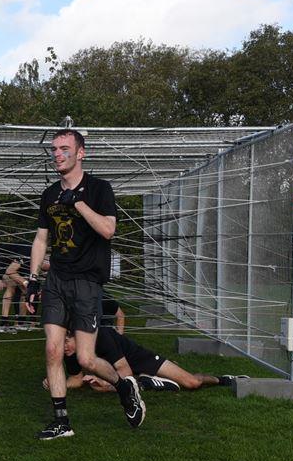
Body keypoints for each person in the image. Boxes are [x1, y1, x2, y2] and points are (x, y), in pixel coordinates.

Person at [24, 128, 144, 440]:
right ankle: (61, 422)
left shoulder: (99, 189)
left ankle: (123, 386)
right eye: (54, 149)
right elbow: (41, 239)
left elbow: (108, 230)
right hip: (56, 280)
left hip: (88, 282)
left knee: (86, 359)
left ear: (81, 153)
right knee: (53, 349)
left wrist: (77, 202)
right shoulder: (49, 194)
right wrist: (33, 280)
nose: (57, 154)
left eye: (64, 148)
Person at [47, 328, 244, 393]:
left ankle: (223, 379)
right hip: (123, 373)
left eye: (67, 342)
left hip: (140, 360)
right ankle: (147, 382)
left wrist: (105, 380)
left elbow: (124, 369)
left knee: (192, 382)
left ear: (77, 336)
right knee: (100, 388)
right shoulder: (70, 353)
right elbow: (75, 378)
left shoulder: (102, 336)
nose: (65, 348)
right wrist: (57, 383)